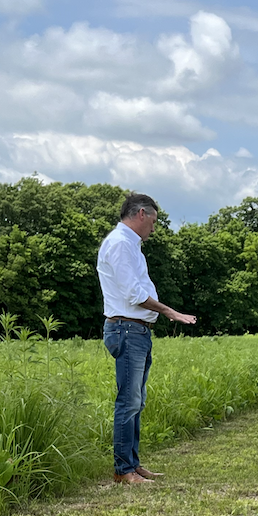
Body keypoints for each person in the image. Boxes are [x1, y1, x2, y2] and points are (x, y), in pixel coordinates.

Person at [97, 193, 197, 485]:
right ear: (140, 214)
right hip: (126, 329)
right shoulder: (119, 244)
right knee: (128, 402)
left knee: (136, 402)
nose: (153, 229)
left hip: (137, 331)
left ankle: (132, 464)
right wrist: (170, 312)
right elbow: (133, 294)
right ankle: (123, 470)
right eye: (152, 222)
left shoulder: (131, 246)